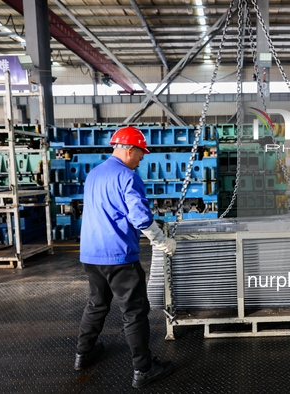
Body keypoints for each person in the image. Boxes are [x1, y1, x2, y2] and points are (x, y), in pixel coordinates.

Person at [74, 126, 177, 388]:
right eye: (140, 155)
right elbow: (139, 217)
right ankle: (143, 369)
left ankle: (83, 355)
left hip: (90, 254)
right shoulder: (127, 176)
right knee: (134, 311)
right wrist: (162, 241)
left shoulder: (94, 174)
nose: (141, 160)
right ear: (129, 150)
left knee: (97, 304)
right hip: (118, 257)